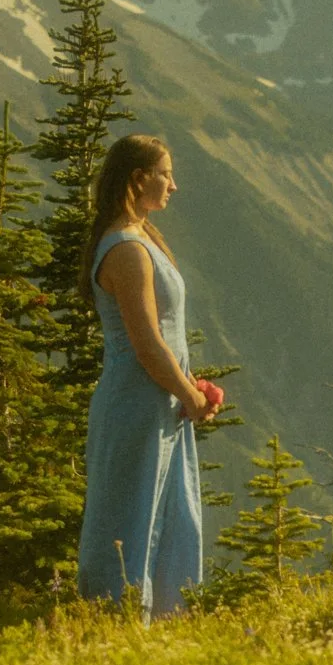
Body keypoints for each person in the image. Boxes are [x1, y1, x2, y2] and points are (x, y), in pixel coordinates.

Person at [76, 134, 221, 616]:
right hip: (140, 403)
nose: (173, 185)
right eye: (166, 173)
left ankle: (163, 624)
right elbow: (147, 343)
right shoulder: (127, 250)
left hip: (160, 403)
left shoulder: (140, 239)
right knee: (130, 517)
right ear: (139, 179)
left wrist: (186, 391)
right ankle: (113, 623)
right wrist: (191, 394)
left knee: (171, 514)